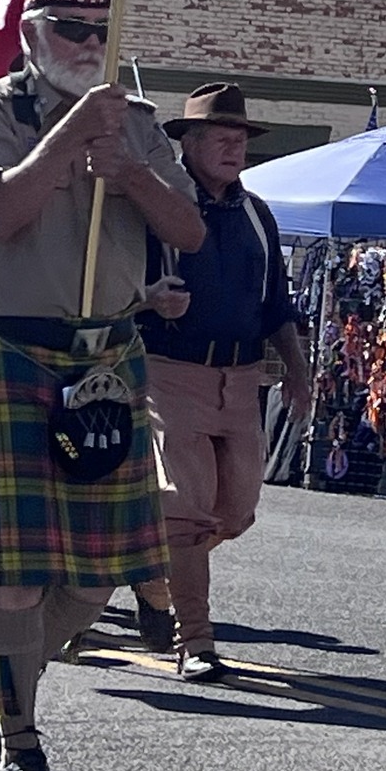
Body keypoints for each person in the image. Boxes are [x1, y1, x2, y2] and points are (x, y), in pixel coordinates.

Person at [0, 0, 205, 771]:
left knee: (96, 578)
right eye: (70, 30)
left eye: (100, 31)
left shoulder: (139, 123)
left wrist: (128, 170)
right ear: (31, 32)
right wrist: (65, 140)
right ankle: (20, 740)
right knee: (14, 575)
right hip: (11, 351)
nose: (88, 45)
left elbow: (190, 230)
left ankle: (4, 671)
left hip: (107, 359)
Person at [132, 82, 313, 681]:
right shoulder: (159, 206)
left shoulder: (258, 214)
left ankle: (153, 576)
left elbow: (277, 305)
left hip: (240, 380)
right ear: (188, 143)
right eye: (221, 138)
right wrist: (148, 300)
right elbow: (113, 282)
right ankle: (195, 641)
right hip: (170, 372)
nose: (235, 148)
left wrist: (299, 372)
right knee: (187, 512)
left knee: (235, 513)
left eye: (240, 139)